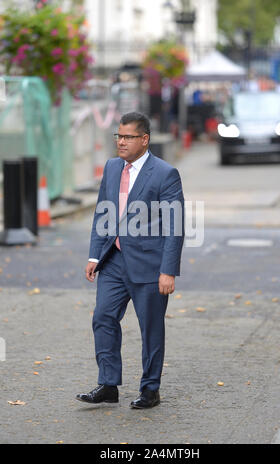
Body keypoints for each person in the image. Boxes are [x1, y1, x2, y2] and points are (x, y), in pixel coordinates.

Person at [76, 112, 185, 409]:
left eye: (127, 137)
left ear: (144, 139)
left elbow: (175, 226)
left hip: (150, 265)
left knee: (150, 328)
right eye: (118, 136)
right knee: (103, 317)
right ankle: (108, 384)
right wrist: (94, 254)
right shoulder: (112, 168)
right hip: (114, 261)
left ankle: (150, 389)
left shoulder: (165, 173)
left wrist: (168, 270)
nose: (121, 142)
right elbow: (103, 212)